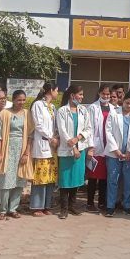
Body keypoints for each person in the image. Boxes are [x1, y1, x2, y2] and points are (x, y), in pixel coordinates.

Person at [0, 90, 33, 220]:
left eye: (23, 100)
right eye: (19, 100)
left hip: (21, 150)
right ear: (13, 100)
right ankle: (3, 210)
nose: (21, 102)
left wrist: (26, 153)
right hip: (7, 149)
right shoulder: (5, 113)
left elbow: (30, 135)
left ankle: (13, 209)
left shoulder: (27, 114)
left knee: (19, 180)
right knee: (6, 181)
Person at [56, 85, 91, 219]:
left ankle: (72, 206)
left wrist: (78, 138)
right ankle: (63, 209)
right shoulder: (62, 111)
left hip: (80, 149)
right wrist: (73, 147)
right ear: (72, 95)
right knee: (65, 180)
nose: (82, 97)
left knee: (76, 178)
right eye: (80, 94)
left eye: (82, 94)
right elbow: (63, 132)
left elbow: (88, 128)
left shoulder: (83, 110)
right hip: (67, 150)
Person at [104, 92, 130, 217]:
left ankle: (127, 205)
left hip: (129, 155)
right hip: (114, 153)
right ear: (123, 101)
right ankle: (110, 206)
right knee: (113, 180)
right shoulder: (113, 113)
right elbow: (108, 132)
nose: (129, 106)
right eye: (127, 103)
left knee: (128, 181)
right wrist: (116, 150)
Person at [30, 83, 59, 217]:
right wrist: (50, 137)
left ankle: (47, 205)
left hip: (52, 147)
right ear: (51, 91)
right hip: (42, 145)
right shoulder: (38, 105)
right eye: (56, 90)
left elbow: (55, 126)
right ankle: (37, 206)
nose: (57, 93)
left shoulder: (52, 107)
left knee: (50, 177)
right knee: (41, 176)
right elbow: (38, 125)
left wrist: (56, 137)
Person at [86, 84, 111, 213]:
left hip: (108, 147)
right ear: (99, 93)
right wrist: (90, 147)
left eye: (108, 94)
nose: (106, 96)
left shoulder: (113, 108)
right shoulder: (93, 107)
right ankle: (90, 203)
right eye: (103, 94)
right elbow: (89, 128)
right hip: (95, 147)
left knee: (104, 177)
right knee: (93, 176)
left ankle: (101, 202)